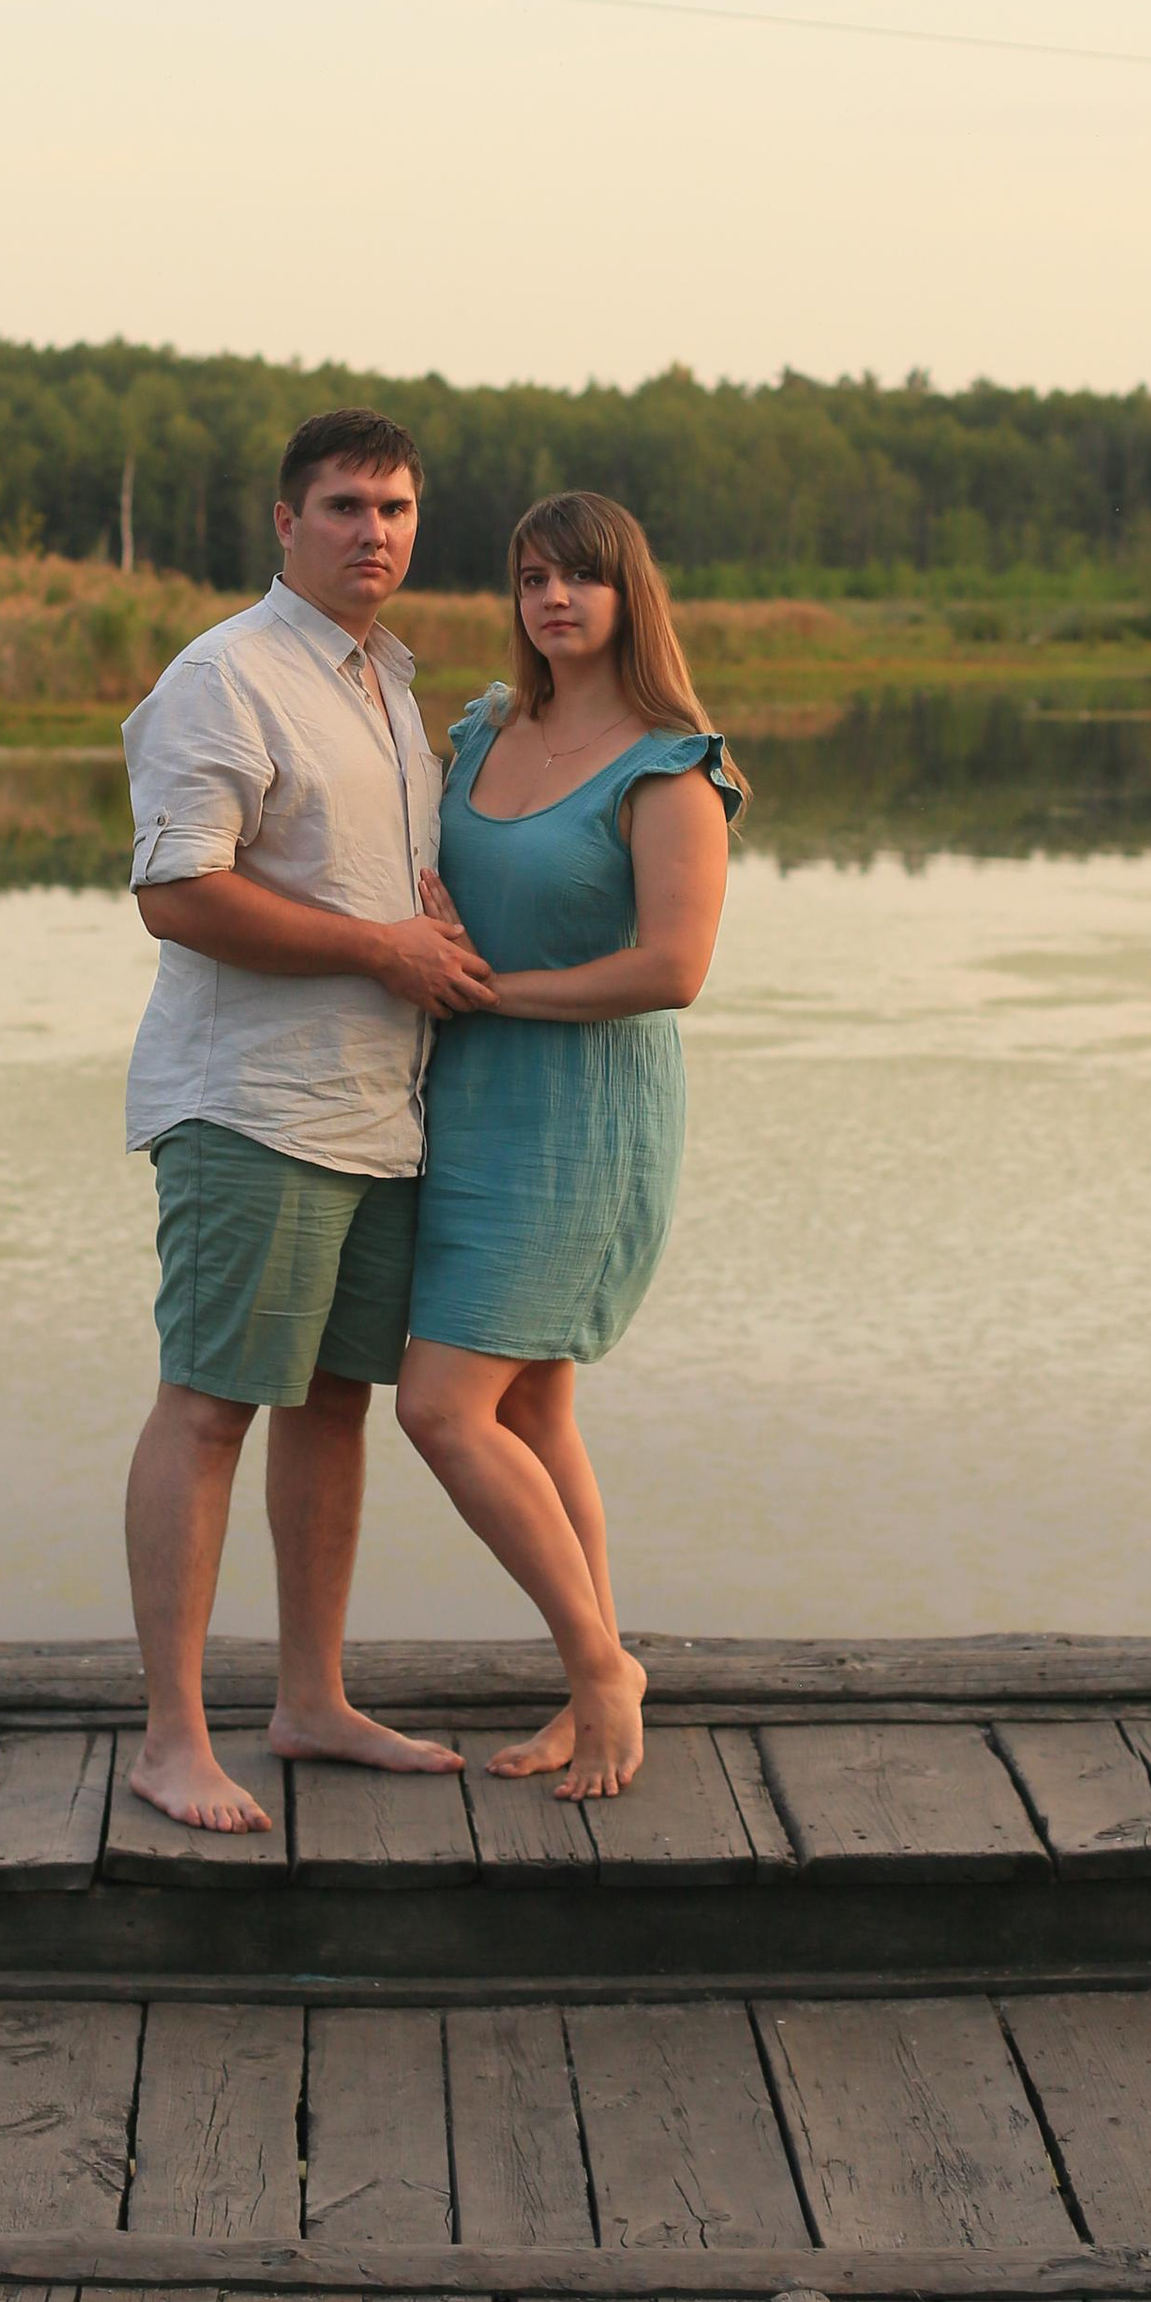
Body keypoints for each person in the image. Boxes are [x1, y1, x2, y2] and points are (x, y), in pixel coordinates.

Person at [118, 408, 491, 1831]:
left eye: (395, 508)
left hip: (374, 1112)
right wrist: (378, 948)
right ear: (287, 523)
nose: (374, 531)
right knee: (211, 1408)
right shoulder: (227, 677)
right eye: (344, 507)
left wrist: (427, 916)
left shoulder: (387, 686)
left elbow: (369, 874)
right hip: (254, 1110)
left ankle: (312, 1701)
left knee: (334, 1403)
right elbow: (177, 891)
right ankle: (171, 1738)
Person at [397, 492, 741, 1802]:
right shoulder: (492, 726)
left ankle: (604, 1670)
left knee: (441, 1407)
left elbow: (675, 967)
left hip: (584, 1124)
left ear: (627, 597)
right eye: (535, 577)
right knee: (534, 1406)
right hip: (471, 1106)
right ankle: (586, 1669)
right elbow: (439, 866)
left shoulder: (670, 764)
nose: (555, 600)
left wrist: (494, 996)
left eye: (583, 579)